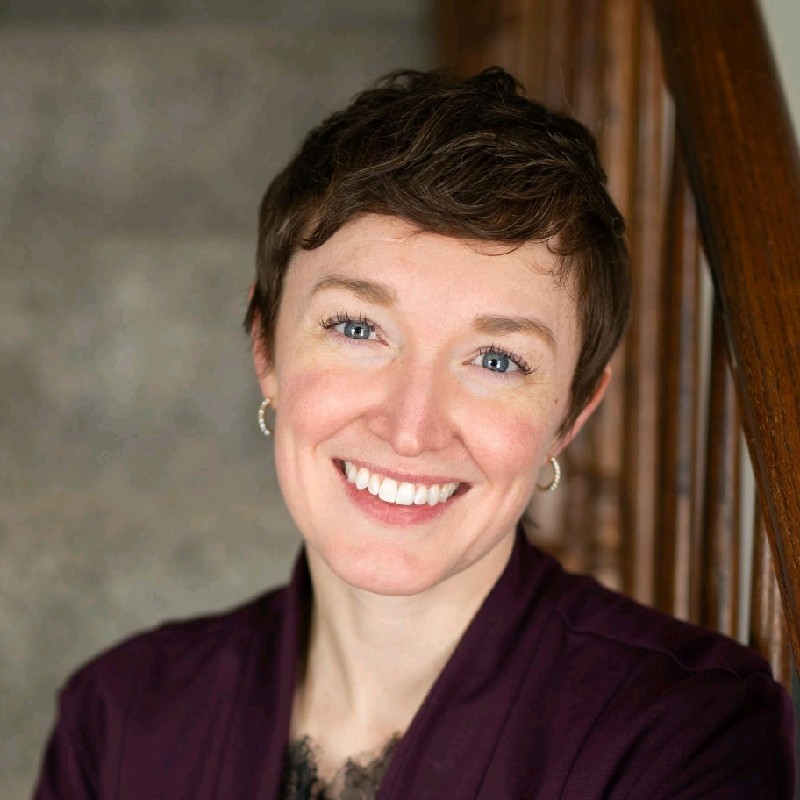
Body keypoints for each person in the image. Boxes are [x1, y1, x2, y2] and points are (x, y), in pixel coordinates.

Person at [34, 68, 793, 799]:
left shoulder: (688, 737)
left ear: (570, 417)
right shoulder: (120, 716)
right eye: (358, 327)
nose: (409, 428)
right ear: (266, 347)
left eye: (496, 359)